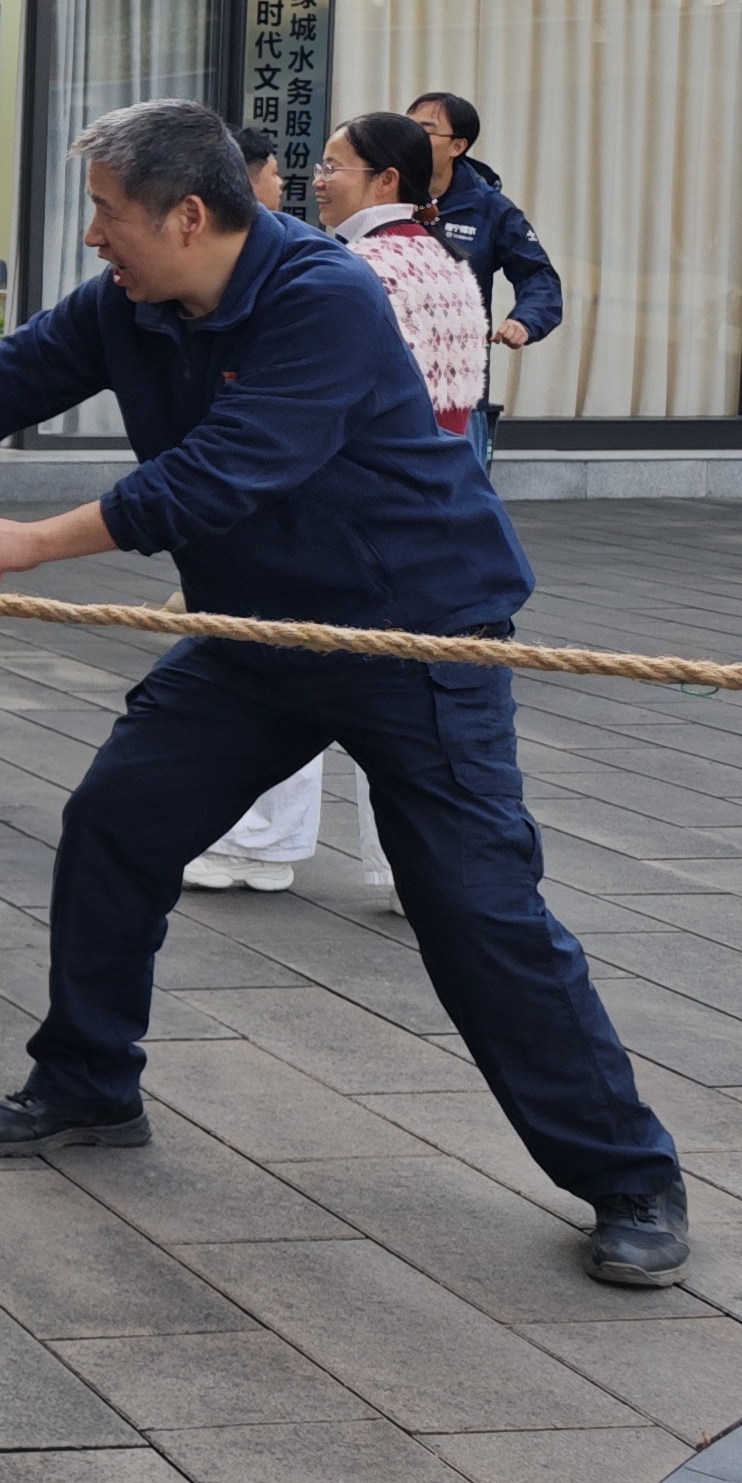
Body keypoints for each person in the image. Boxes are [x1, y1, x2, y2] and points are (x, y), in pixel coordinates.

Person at [0, 98, 692, 1289]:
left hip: (415, 637)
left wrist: (30, 542)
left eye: (107, 215)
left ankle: (630, 1176)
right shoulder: (132, 301)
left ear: (188, 216)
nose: (92, 238)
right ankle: (88, 1082)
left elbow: (219, 475)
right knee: (116, 825)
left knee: (476, 910)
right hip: (254, 636)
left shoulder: (324, 298)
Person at [187, 109, 488, 901]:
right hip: (437, 509)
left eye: (333, 166)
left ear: (386, 180)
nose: (316, 180)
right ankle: (407, 868)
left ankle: (262, 845)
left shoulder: (356, 269)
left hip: (350, 506)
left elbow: (328, 403)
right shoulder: (446, 259)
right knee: (401, 698)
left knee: (294, 668)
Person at [407, 91, 560, 469]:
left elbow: (539, 276)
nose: (409, 137)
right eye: (405, 126)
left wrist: (525, 320)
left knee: (458, 491)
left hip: (456, 385)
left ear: (457, 146)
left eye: (424, 130)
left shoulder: (490, 207)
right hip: (389, 375)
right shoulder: (386, 192)